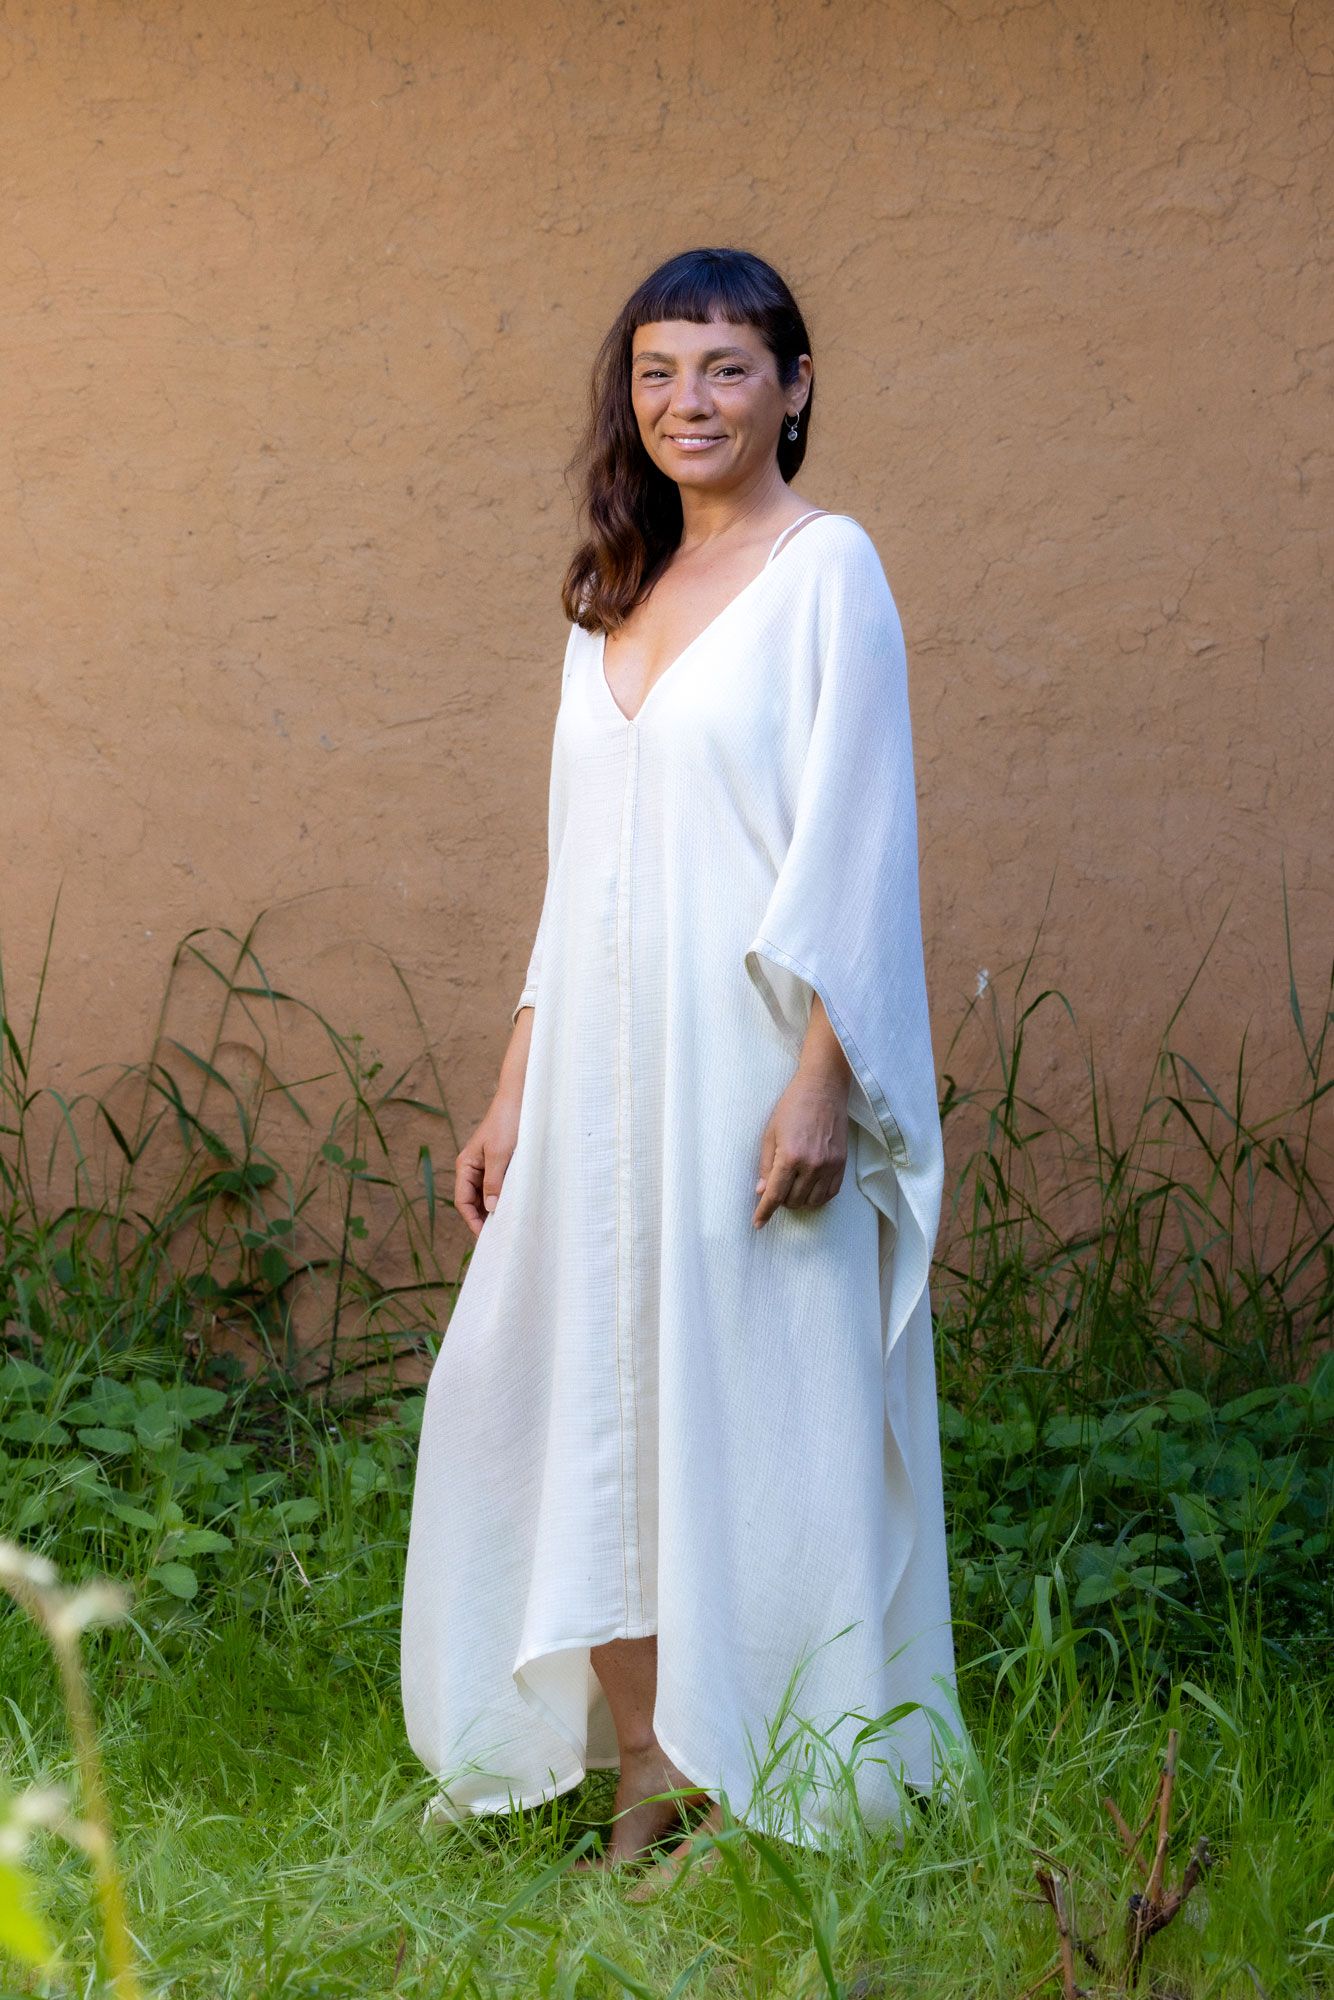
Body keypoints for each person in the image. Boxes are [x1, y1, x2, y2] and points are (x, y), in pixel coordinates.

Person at [401, 247, 954, 1876]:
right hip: (591, 1089)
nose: (686, 401)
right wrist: (514, 1088)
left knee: (753, 1415)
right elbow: (578, 876)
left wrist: (822, 1080)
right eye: (656, 371)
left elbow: (859, 842)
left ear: (791, 386)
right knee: (575, 1406)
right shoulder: (610, 593)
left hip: (747, 1074)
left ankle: (774, 1774)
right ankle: (646, 1767)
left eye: (723, 368)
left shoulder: (824, 569)